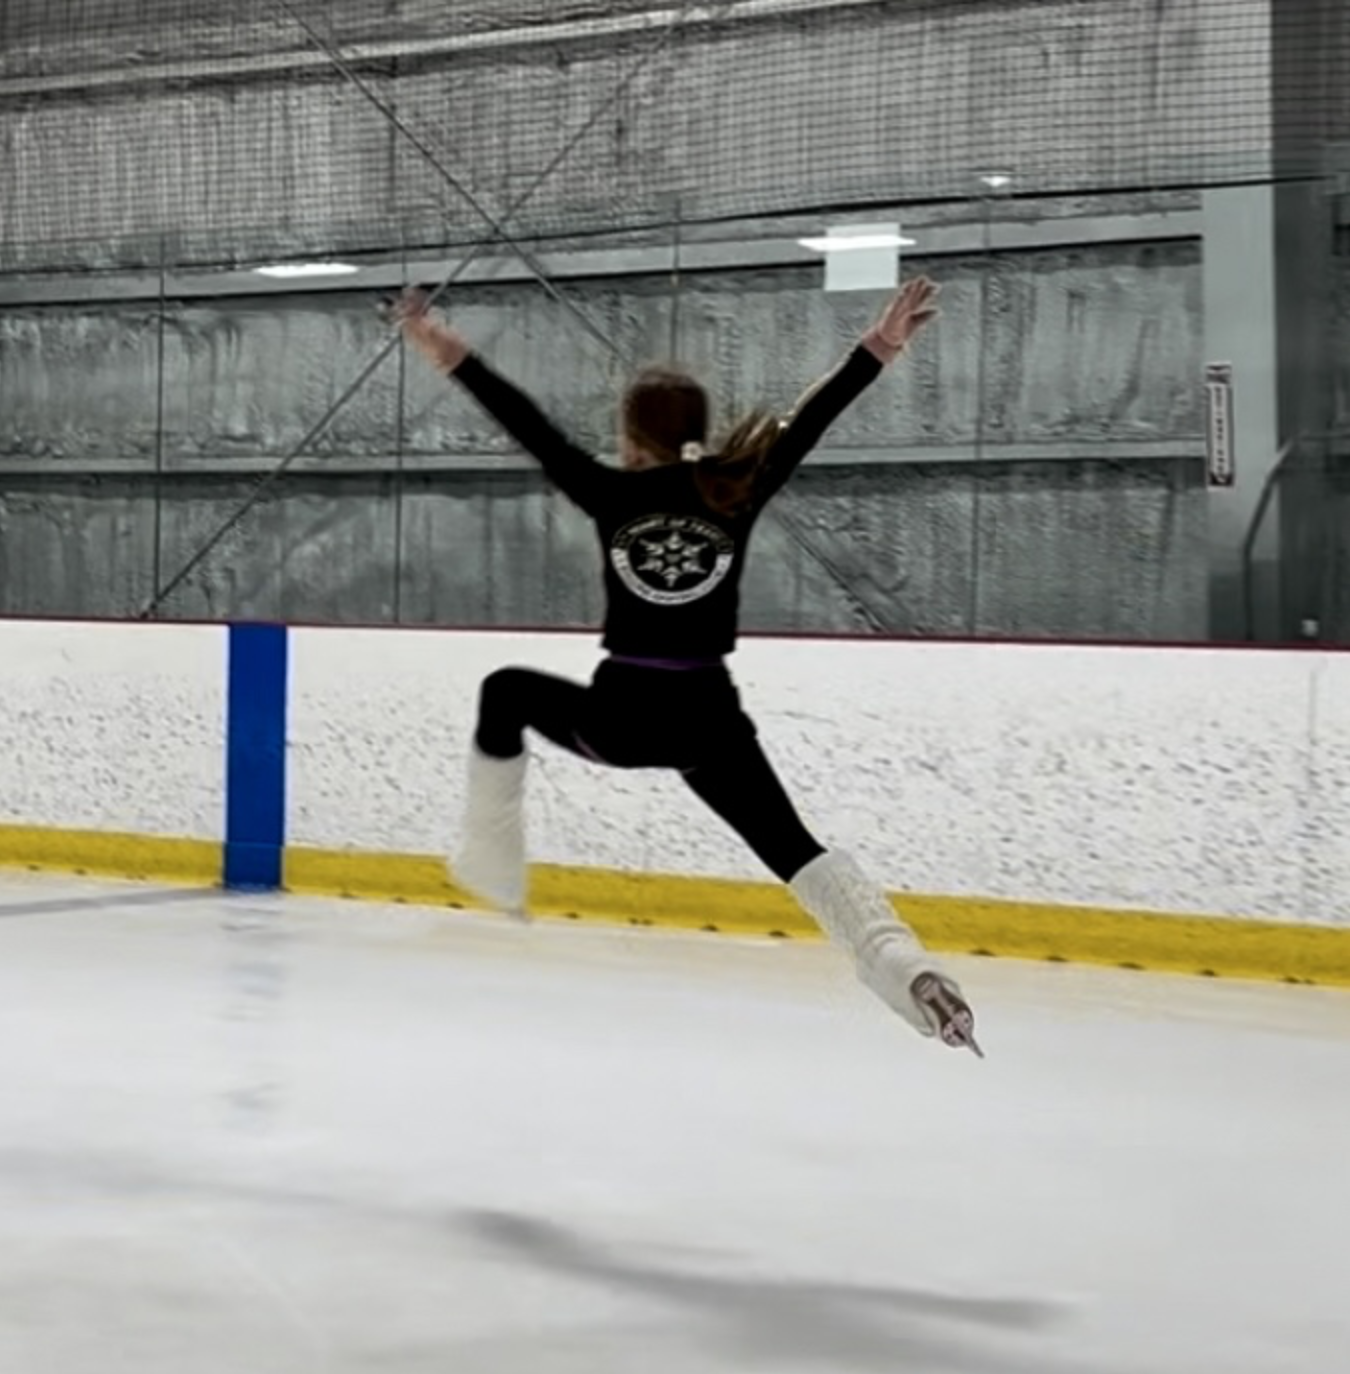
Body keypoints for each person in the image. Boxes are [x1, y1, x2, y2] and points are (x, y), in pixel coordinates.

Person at [393, 277, 981, 1056]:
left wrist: (449, 353)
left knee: (504, 691)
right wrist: (880, 346)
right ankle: (908, 972)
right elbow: (811, 422)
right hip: (709, 723)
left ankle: (493, 861)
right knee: (795, 850)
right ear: (696, 432)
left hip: (622, 721)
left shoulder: (609, 491)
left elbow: (527, 425)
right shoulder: (735, 488)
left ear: (632, 436)